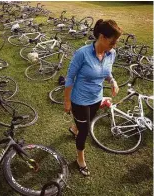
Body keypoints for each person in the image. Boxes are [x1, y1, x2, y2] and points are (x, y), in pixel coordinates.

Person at [64, 19, 122, 176]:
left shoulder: (111, 53)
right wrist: (67, 101)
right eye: (112, 42)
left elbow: (107, 72)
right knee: (85, 131)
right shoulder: (82, 53)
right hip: (80, 100)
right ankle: (80, 159)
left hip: (97, 98)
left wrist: (113, 82)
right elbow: (70, 77)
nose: (114, 46)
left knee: (83, 124)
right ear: (102, 37)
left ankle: (74, 127)